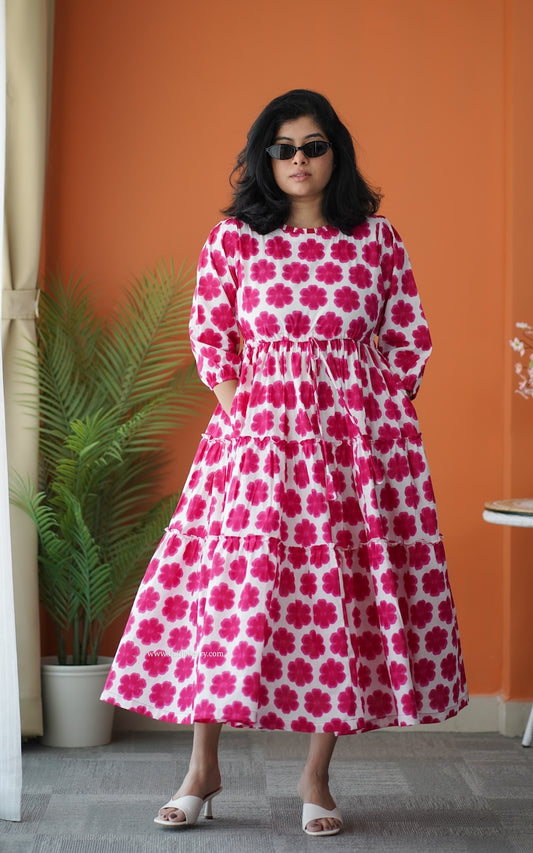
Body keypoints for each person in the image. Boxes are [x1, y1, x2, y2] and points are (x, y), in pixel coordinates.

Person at [101, 89, 468, 837]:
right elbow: (212, 335)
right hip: (257, 440)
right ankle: (202, 769)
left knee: (338, 594)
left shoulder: (375, 240)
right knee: (228, 592)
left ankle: (315, 777)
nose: (297, 160)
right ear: (264, 159)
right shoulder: (235, 239)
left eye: (312, 146)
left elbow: (407, 333)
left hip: (354, 447)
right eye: (282, 148)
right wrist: (243, 414)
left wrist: (381, 414)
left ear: (336, 152)